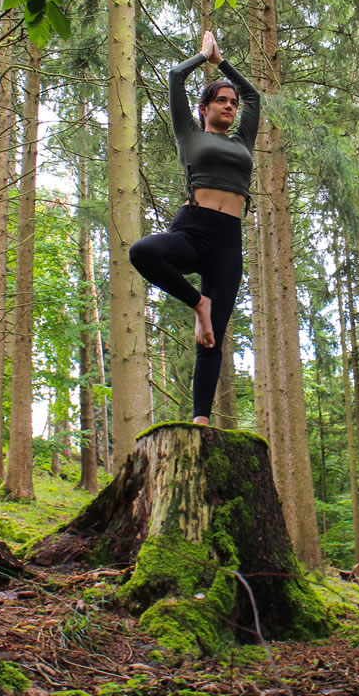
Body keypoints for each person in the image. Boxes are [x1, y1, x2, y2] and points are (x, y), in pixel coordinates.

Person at [128, 30, 260, 426]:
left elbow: (254, 96)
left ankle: (200, 421)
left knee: (213, 338)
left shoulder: (243, 141)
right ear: (203, 109)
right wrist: (204, 57)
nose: (230, 106)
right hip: (193, 228)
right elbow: (174, 77)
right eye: (221, 101)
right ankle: (197, 303)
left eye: (232, 103)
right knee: (142, 252)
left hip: (228, 242)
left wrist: (224, 64)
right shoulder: (188, 134)